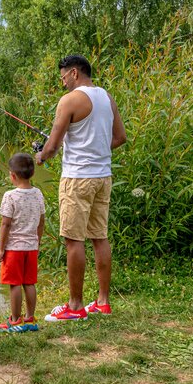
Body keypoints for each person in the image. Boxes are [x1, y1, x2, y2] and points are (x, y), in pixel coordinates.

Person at [35, 54, 126, 321]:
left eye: (63, 77)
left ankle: (75, 307)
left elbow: (51, 147)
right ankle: (102, 302)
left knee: (74, 240)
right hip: (103, 176)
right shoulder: (106, 97)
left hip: (77, 179)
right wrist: (94, 149)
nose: (63, 84)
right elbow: (120, 137)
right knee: (100, 236)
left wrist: (41, 156)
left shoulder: (70, 100)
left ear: (74, 73)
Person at [0, 152, 46, 333]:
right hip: (31, 247)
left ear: (13, 175)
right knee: (29, 283)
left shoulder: (10, 196)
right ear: (32, 174)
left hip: (14, 248)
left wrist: (1, 249)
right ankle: (30, 319)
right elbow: (41, 222)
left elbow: (6, 224)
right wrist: (37, 242)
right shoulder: (38, 194)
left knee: (15, 284)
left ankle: (15, 320)